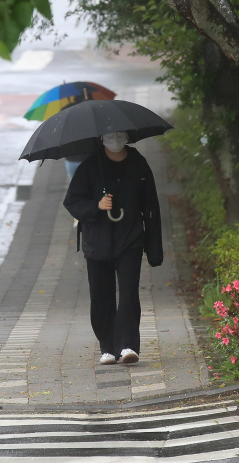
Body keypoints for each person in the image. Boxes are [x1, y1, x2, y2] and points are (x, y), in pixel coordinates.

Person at [63, 131, 163, 365]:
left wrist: (154, 247)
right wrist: (96, 205)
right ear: (101, 138)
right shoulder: (89, 166)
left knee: (129, 293)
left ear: (127, 136)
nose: (115, 139)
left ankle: (128, 345)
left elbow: (151, 205)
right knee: (101, 295)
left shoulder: (139, 164)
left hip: (130, 240)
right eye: (110, 135)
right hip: (97, 242)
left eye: (120, 135)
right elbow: (72, 201)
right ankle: (108, 346)